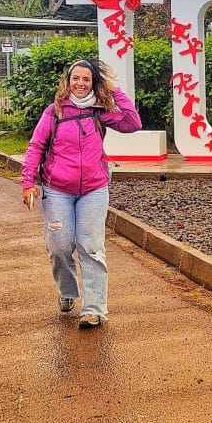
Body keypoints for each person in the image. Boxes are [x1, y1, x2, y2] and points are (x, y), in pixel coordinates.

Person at [21, 58, 142, 329]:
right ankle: (67, 291)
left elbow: (133, 122)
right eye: (76, 78)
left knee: (91, 247)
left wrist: (112, 89)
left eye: (87, 79)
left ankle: (94, 309)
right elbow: (35, 146)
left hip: (94, 190)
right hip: (57, 190)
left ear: (93, 83)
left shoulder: (100, 111)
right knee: (59, 247)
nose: (81, 84)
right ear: (68, 81)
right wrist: (28, 182)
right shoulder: (54, 112)